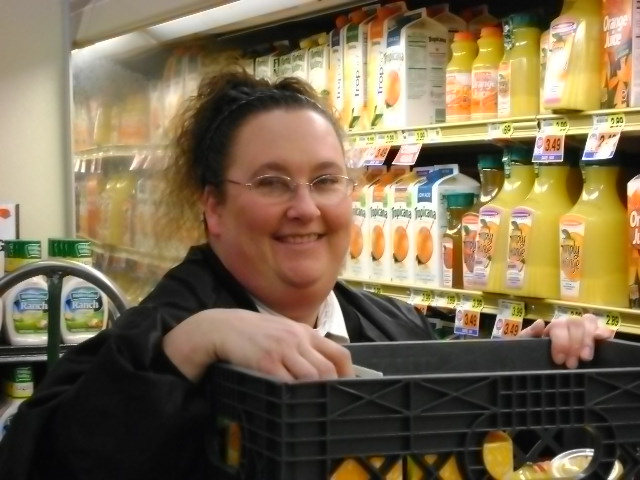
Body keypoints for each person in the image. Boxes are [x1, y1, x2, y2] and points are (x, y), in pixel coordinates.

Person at [0, 69, 612, 479]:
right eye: (271, 182)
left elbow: (491, 455)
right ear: (214, 208)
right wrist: (191, 343)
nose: (305, 208)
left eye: (325, 180)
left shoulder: (392, 327)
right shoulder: (160, 334)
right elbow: (44, 458)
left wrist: (537, 373)